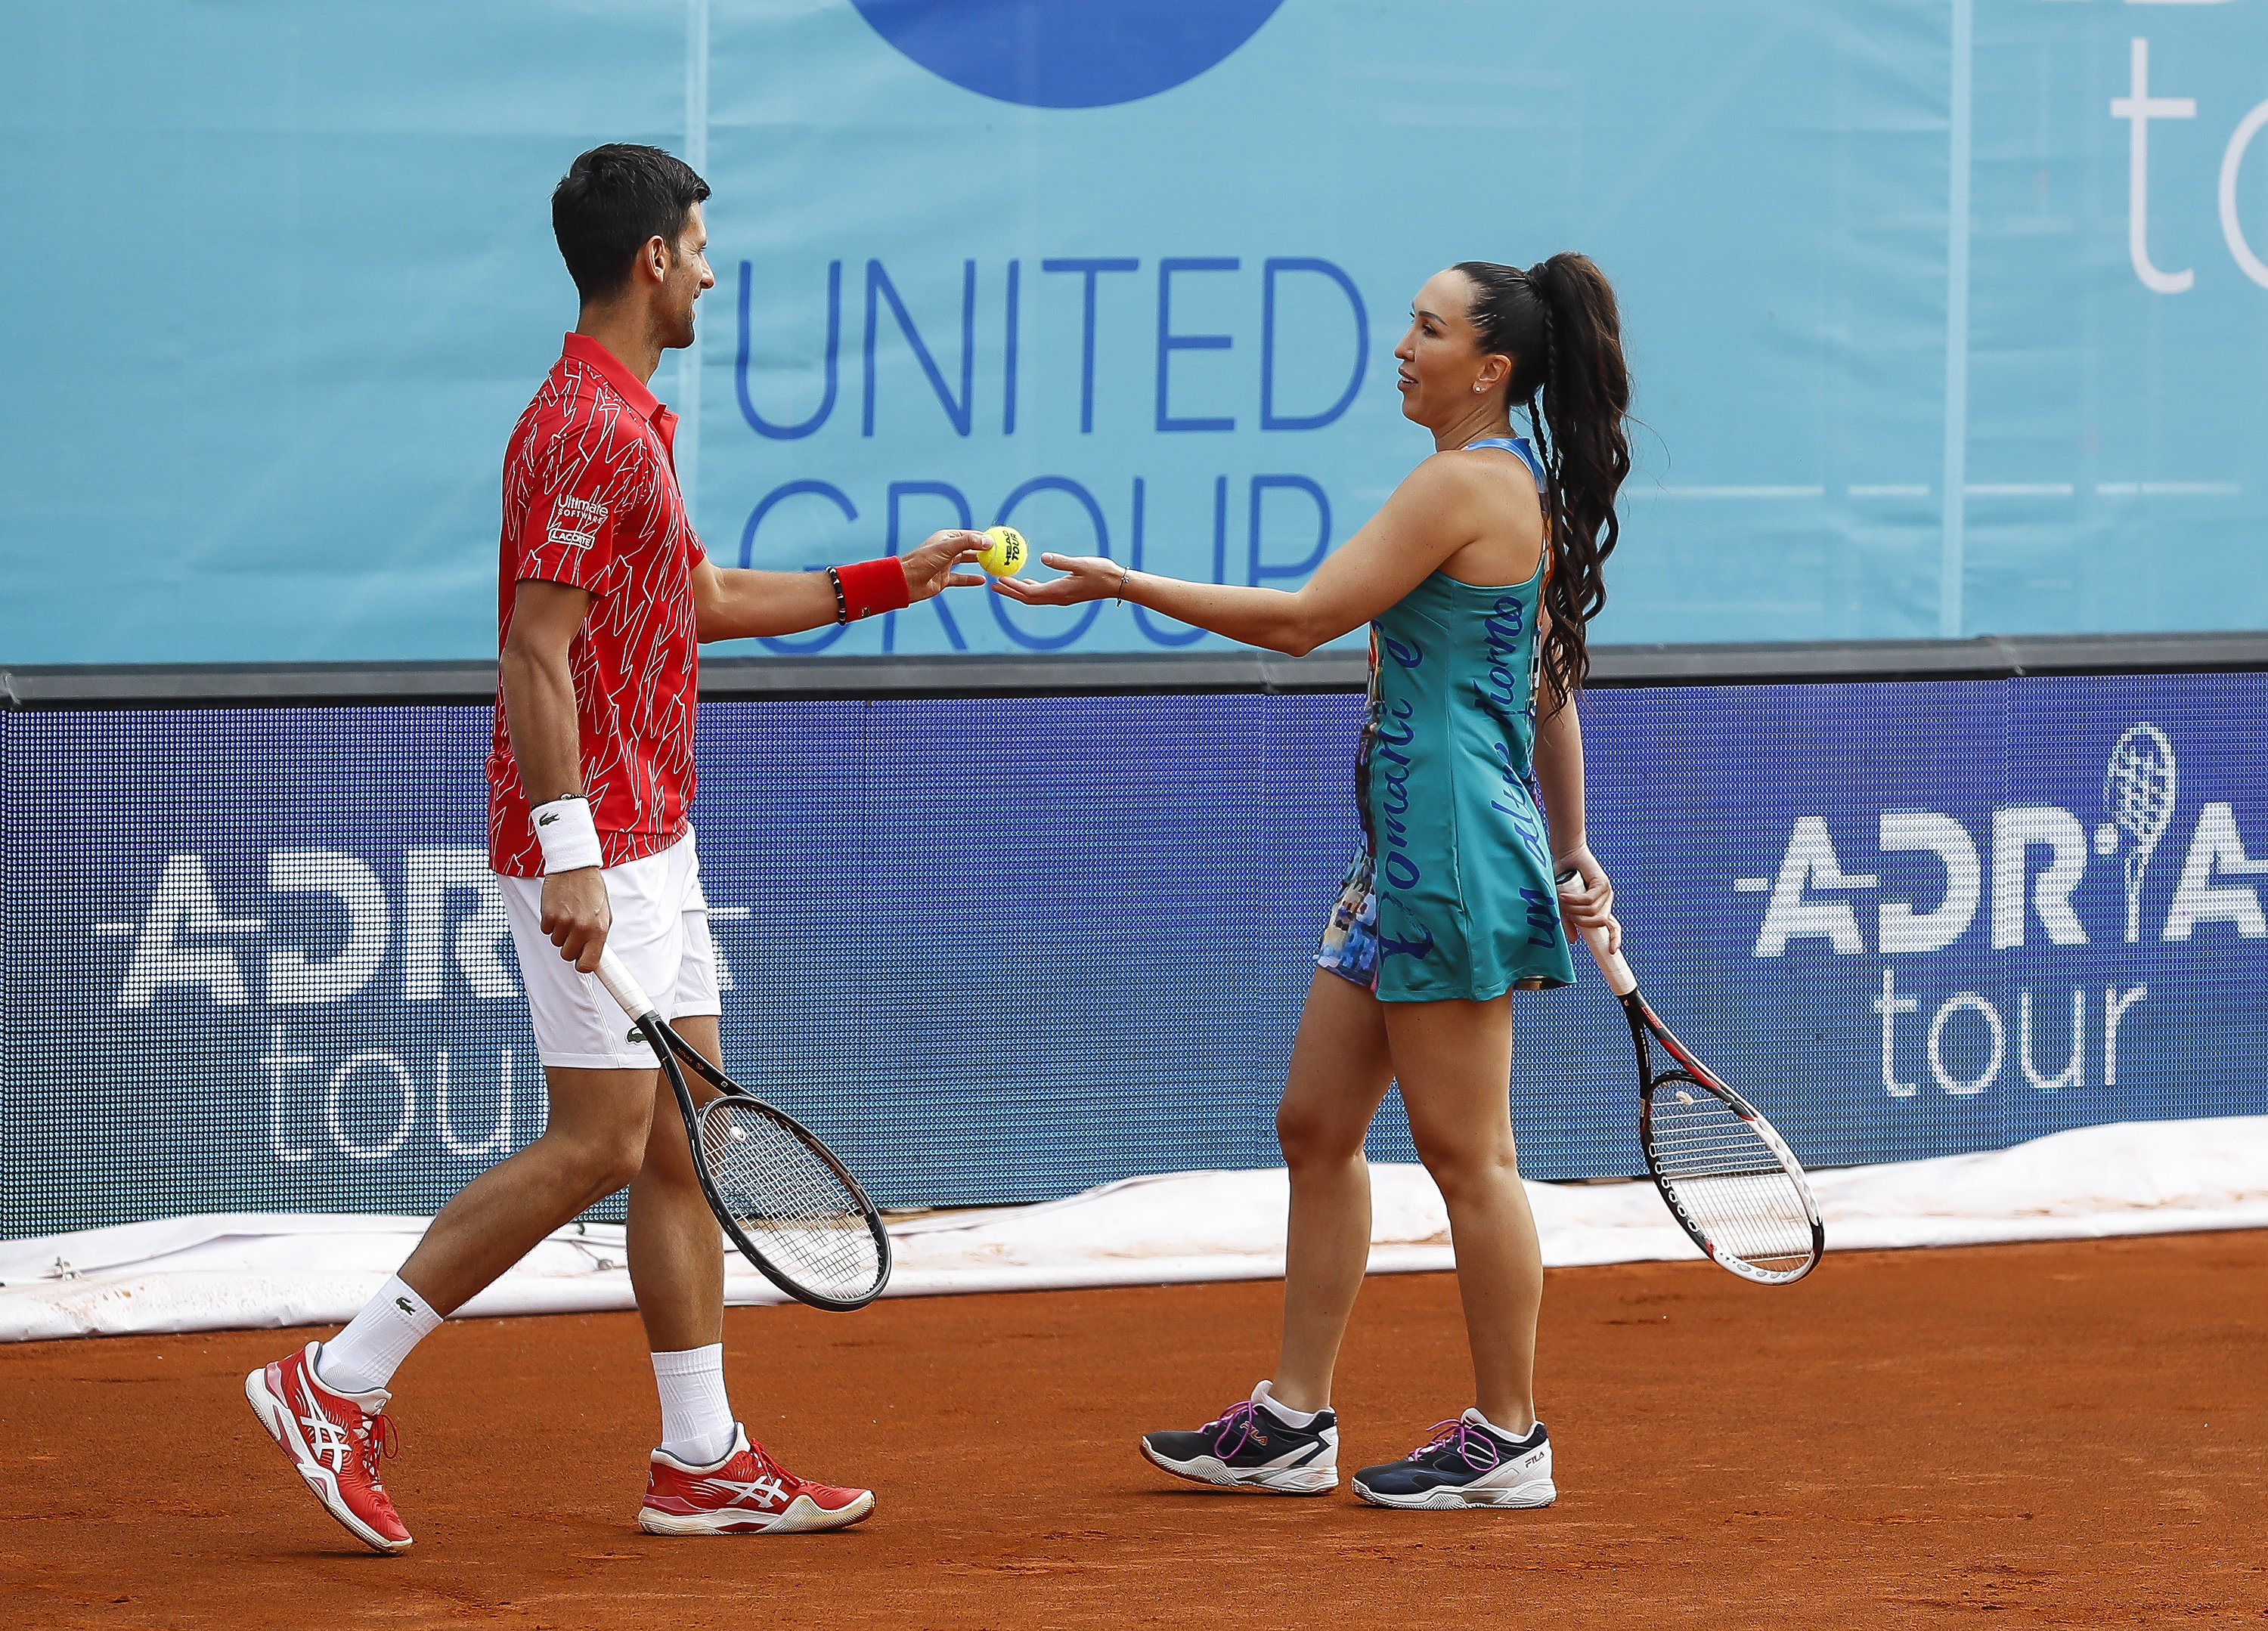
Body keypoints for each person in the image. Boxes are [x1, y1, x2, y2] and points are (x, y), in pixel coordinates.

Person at [243, 144, 986, 1553]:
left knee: (678, 1144)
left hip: (654, 829)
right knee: (597, 1142)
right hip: (597, 840)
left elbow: (697, 594)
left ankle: (698, 1457)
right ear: (653, 259)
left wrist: (901, 575)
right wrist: (573, 848)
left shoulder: (630, 420)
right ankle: (335, 1379)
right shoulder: (583, 428)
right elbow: (534, 652)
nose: (712, 267)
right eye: (701, 244)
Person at [996, 257, 1631, 1509]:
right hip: (1403, 854)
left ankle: (1511, 1437)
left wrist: (1121, 583)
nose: (1404, 345)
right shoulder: (1502, 487)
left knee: (1468, 1153)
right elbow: (1549, 685)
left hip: (1444, 856)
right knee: (1316, 1124)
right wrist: (1567, 845)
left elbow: (1301, 621)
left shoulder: (1468, 484)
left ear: (1489, 368)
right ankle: (1292, 1419)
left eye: (1430, 328)